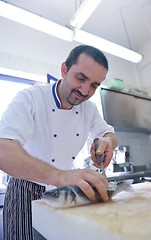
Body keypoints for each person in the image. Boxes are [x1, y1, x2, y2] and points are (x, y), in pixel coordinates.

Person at [0, 45, 118, 240]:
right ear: (64, 70)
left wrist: (107, 141)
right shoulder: (30, 98)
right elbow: (3, 151)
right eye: (81, 78)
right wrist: (61, 177)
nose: (85, 90)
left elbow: (109, 133)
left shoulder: (89, 109)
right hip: (25, 192)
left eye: (94, 85)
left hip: (63, 193)